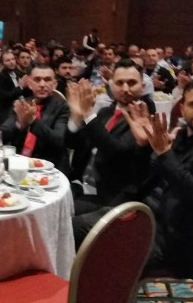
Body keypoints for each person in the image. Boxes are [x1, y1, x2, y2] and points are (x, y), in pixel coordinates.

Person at [73, 77, 193, 281]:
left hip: (176, 243)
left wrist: (163, 153)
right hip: (146, 218)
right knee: (70, 225)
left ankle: (102, 297)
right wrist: (144, 146)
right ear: (182, 108)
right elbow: (143, 179)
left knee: (84, 241)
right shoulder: (182, 137)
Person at [66, 60, 156, 212]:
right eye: (120, 83)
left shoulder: (145, 118)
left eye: (131, 83)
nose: (125, 89)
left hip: (113, 197)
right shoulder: (105, 112)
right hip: (83, 185)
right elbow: (72, 143)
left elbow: (116, 151)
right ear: (111, 85)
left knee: (59, 215)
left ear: (142, 86)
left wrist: (87, 114)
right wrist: (76, 117)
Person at [1, 65, 70, 173]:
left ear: (54, 84)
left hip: (48, 165)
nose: (42, 84)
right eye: (37, 80)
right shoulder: (22, 104)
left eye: (47, 80)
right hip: (18, 163)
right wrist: (19, 124)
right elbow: (3, 135)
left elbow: (58, 140)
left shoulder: (62, 107)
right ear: (29, 83)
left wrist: (33, 122)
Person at [0, 50, 29, 125]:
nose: (12, 62)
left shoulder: (16, 74)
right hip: (7, 113)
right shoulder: (0, 78)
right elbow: (5, 98)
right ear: (2, 63)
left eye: (13, 59)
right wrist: (20, 87)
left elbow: (22, 92)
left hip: (19, 107)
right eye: (8, 60)